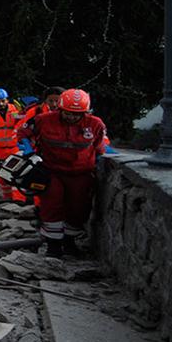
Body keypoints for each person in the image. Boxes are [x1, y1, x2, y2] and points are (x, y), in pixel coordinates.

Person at [18, 89, 107, 258]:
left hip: (81, 173)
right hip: (52, 171)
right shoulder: (43, 120)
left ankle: (70, 242)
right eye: (68, 113)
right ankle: (53, 245)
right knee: (52, 205)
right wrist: (29, 151)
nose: (72, 117)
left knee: (78, 208)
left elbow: (100, 147)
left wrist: (98, 162)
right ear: (60, 109)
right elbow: (23, 133)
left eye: (77, 114)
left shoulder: (95, 124)